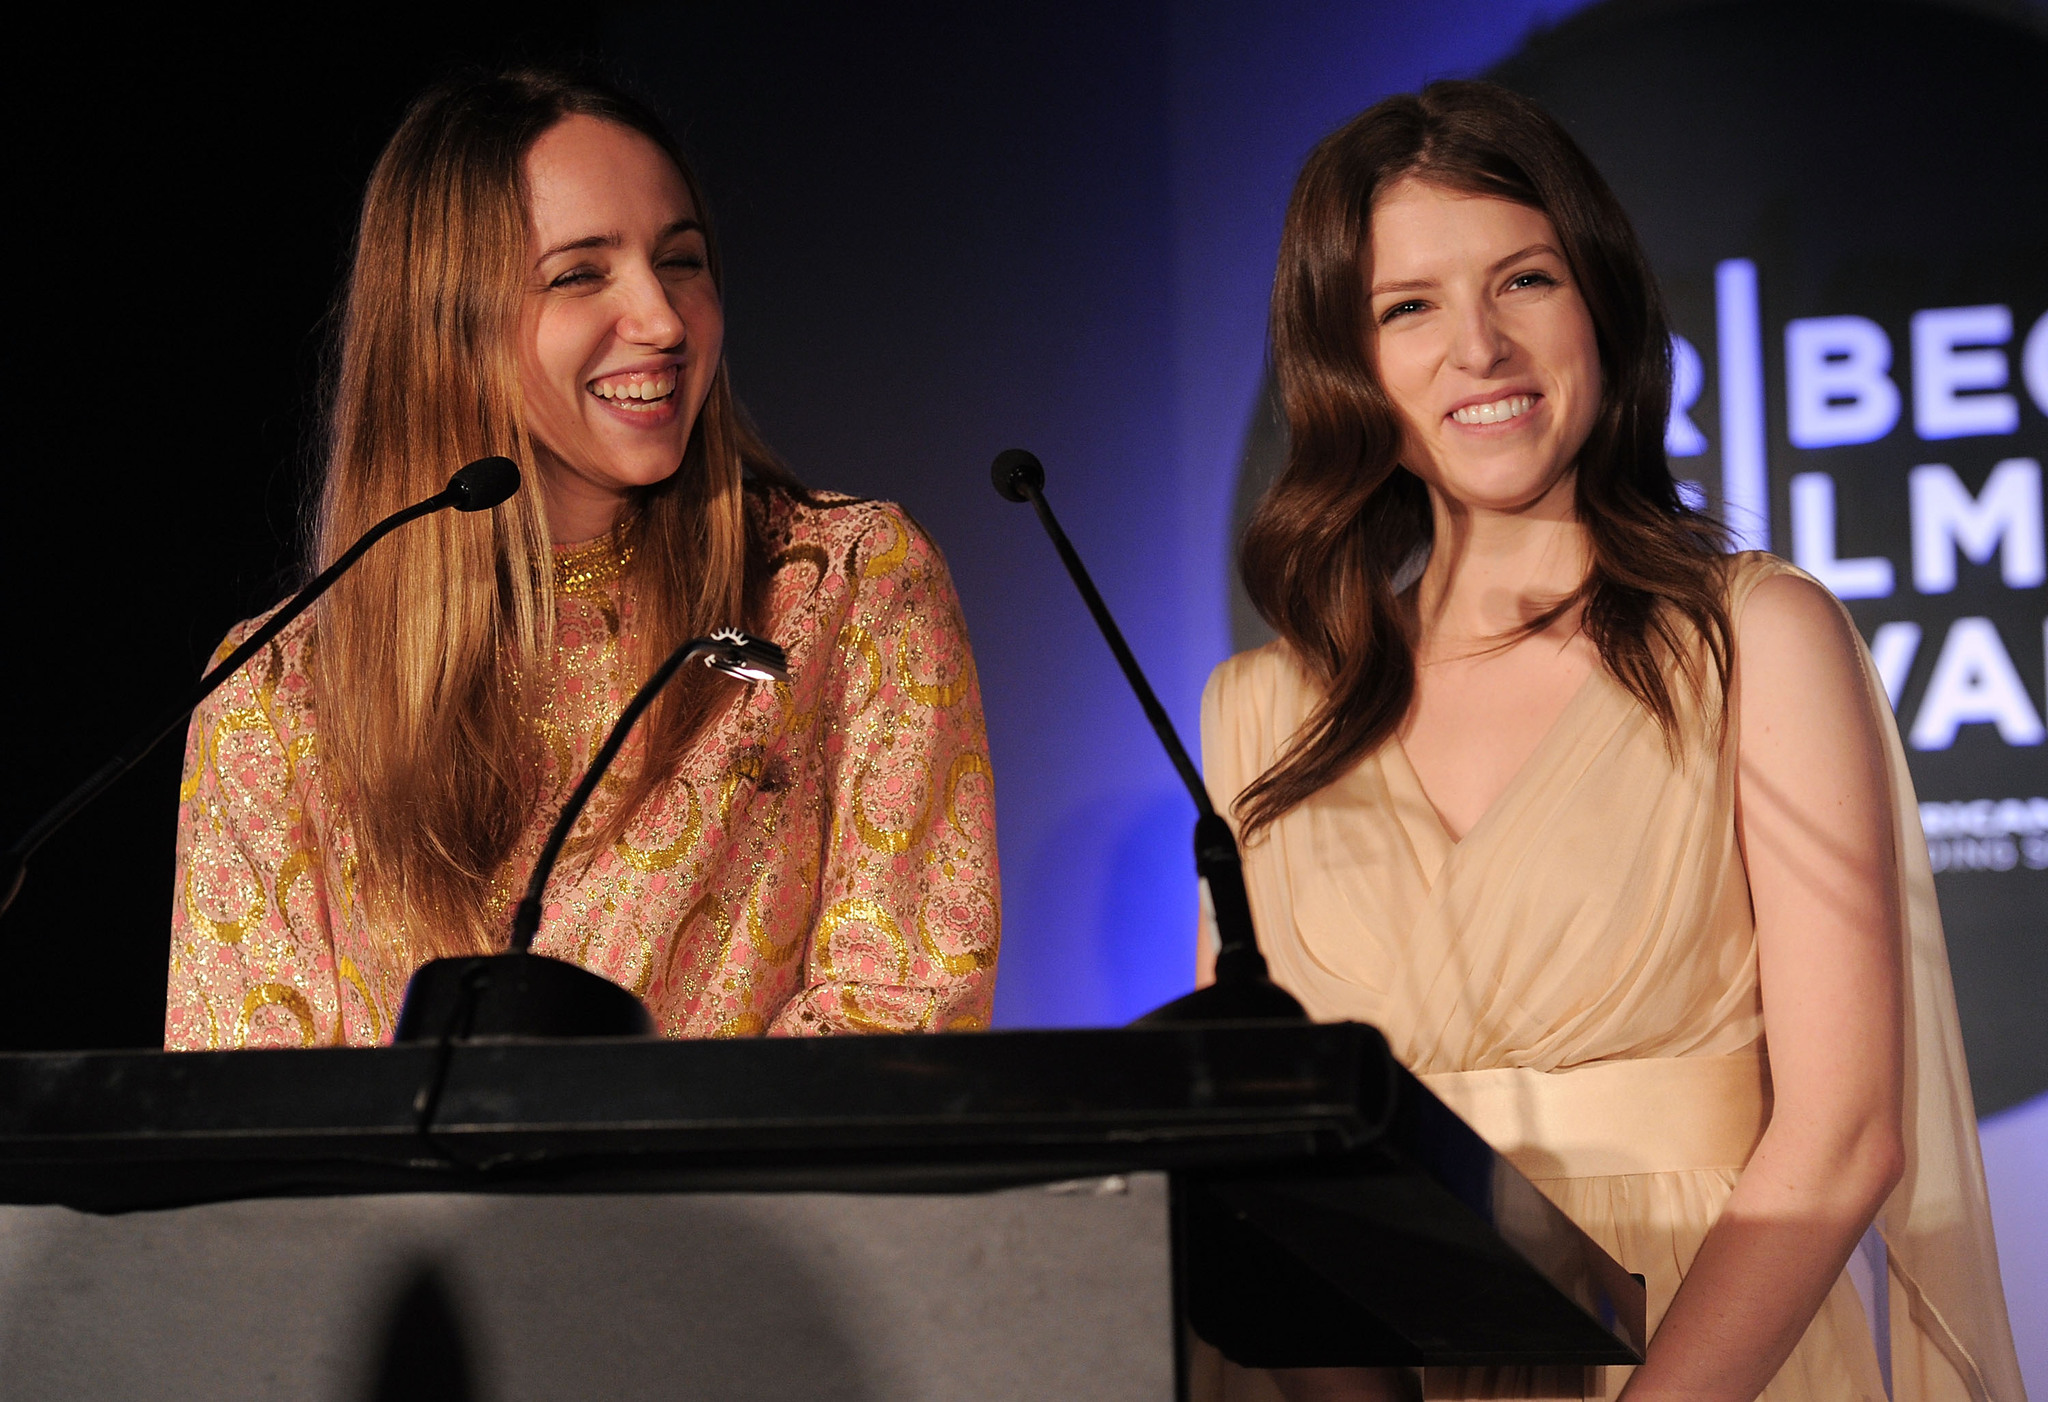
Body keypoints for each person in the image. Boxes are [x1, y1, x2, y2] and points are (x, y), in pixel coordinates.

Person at [1197, 82, 2023, 1401]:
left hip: (1712, 1355)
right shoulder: (1260, 709)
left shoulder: (1754, 635)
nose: (1479, 347)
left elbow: (1848, 1128)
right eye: (1408, 306)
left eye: (1523, 279)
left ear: (1602, 303)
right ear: (1345, 364)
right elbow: (1258, 1144)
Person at [165, 69, 999, 1048]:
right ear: (445, 325)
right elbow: (252, 1102)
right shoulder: (274, 688)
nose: (660, 318)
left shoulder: (847, 585)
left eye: (680, 261)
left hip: (752, 1204)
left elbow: (901, 1015)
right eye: (580, 274)